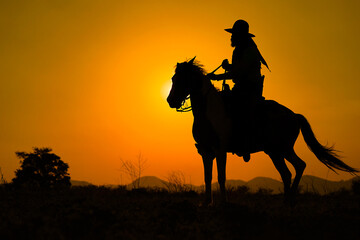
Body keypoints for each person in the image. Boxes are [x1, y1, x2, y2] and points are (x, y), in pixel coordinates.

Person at [207, 19, 269, 162]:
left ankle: (244, 143)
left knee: (238, 109)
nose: (231, 37)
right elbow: (237, 70)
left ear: (240, 35)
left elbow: (239, 73)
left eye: (233, 34)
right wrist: (228, 67)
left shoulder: (249, 51)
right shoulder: (239, 50)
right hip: (240, 87)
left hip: (249, 90)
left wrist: (217, 77)